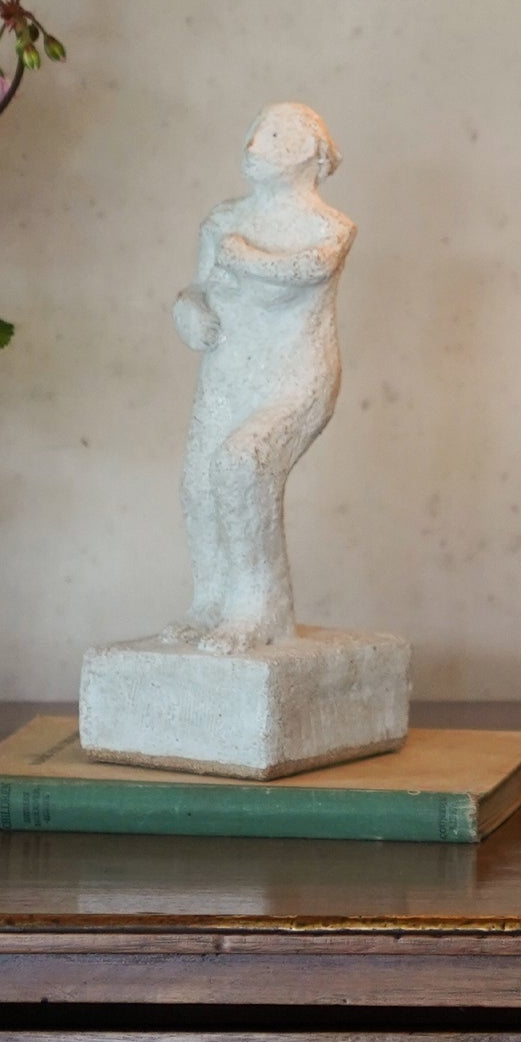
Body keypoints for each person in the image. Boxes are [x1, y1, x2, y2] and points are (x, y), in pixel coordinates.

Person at [163, 102, 355, 654]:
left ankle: (258, 609)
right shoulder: (223, 221)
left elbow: (305, 269)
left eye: (272, 136)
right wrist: (189, 312)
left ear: (308, 150)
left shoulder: (330, 229)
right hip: (227, 373)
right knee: (199, 484)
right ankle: (211, 602)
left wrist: (242, 256)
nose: (253, 146)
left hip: (295, 378)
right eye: (254, 134)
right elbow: (197, 288)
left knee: (242, 465)